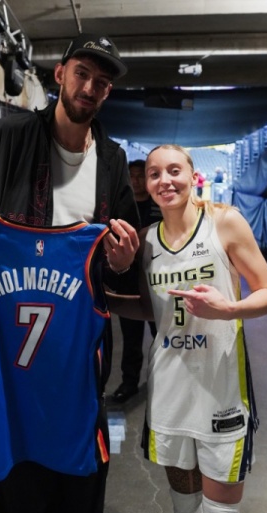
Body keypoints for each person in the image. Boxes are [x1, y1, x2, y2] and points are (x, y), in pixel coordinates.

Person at [0, 33, 140, 513]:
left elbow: (123, 260)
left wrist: (122, 263)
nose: (90, 88)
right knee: (16, 483)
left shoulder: (113, 159)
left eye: (102, 82)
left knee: (79, 487)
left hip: (77, 349)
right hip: (7, 344)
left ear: (108, 93)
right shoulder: (9, 137)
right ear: (60, 74)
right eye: (82, 74)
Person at [109, 144, 267, 513]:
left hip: (220, 389)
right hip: (170, 392)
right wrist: (100, 299)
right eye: (154, 174)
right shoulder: (147, 241)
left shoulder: (224, 222)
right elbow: (153, 310)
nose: (164, 181)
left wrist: (228, 309)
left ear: (192, 175)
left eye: (174, 171)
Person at [112, 160, 162, 404]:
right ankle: (129, 382)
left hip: (158, 281)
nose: (136, 181)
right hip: (130, 281)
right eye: (131, 176)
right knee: (131, 337)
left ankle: (163, 382)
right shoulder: (122, 207)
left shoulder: (161, 206)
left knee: (161, 335)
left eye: (141, 176)